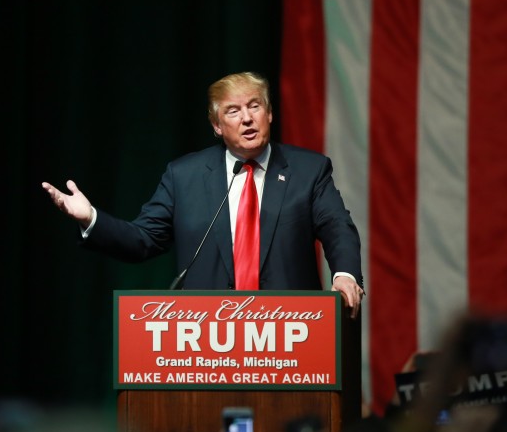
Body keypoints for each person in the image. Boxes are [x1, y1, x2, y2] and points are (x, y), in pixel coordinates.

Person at [42, 71, 365, 317]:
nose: (247, 118)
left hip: (289, 328)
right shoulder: (184, 176)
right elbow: (143, 240)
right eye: (233, 111)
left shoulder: (309, 170)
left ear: (269, 114)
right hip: (206, 336)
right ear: (216, 125)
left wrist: (345, 274)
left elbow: (338, 227)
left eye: (255, 106)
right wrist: (91, 219)